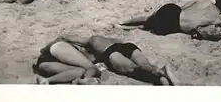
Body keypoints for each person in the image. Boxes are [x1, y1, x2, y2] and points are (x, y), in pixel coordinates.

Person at [33, 34, 179, 85]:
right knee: (146, 66)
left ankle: (161, 76)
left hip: (111, 52)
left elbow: (63, 37)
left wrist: (45, 48)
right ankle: (161, 75)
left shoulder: (91, 42)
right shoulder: (94, 42)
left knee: (132, 69)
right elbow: (64, 38)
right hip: (127, 46)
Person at [119, 0, 221, 40]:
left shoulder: (203, 0)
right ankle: (132, 27)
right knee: (149, 28)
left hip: (172, 10)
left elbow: (183, 7)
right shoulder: (218, 20)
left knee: (147, 19)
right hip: (173, 25)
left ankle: (122, 23)